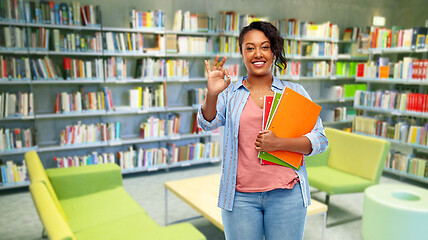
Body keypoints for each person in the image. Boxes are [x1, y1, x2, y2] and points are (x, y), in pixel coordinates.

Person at [197, 21, 328, 240]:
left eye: (265, 47)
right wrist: (212, 94)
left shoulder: (295, 92)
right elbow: (207, 123)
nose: (258, 53)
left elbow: (320, 140)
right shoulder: (230, 92)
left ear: (274, 51)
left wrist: (279, 143)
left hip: (287, 195)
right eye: (250, 48)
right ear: (242, 52)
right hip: (240, 198)